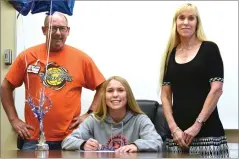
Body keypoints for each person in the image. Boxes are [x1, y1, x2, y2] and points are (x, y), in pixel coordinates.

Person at [0, 12, 105, 150]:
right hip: (34, 139)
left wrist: (90, 114)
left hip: (71, 138)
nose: (57, 32)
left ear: (68, 31)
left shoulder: (81, 58)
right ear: (44, 30)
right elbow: (5, 86)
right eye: (52, 28)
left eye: (62, 28)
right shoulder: (27, 56)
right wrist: (14, 120)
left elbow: (103, 86)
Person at [159, 3, 229, 157]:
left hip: (208, 134)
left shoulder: (209, 49)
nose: (186, 22)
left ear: (197, 23)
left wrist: (197, 125)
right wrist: (173, 128)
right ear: (175, 22)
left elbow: (216, 89)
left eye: (191, 18)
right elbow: (165, 95)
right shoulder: (170, 54)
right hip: (177, 137)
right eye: (181, 18)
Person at [62, 76, 163, 152]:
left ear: (128, 95)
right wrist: (83, 144)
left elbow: (157, 142)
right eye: (110, 91)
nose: (115, 95)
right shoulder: (94, 120)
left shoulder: (140, 119)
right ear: (104, 97)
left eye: (120, 90)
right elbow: (67, 141)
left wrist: (136, 146)